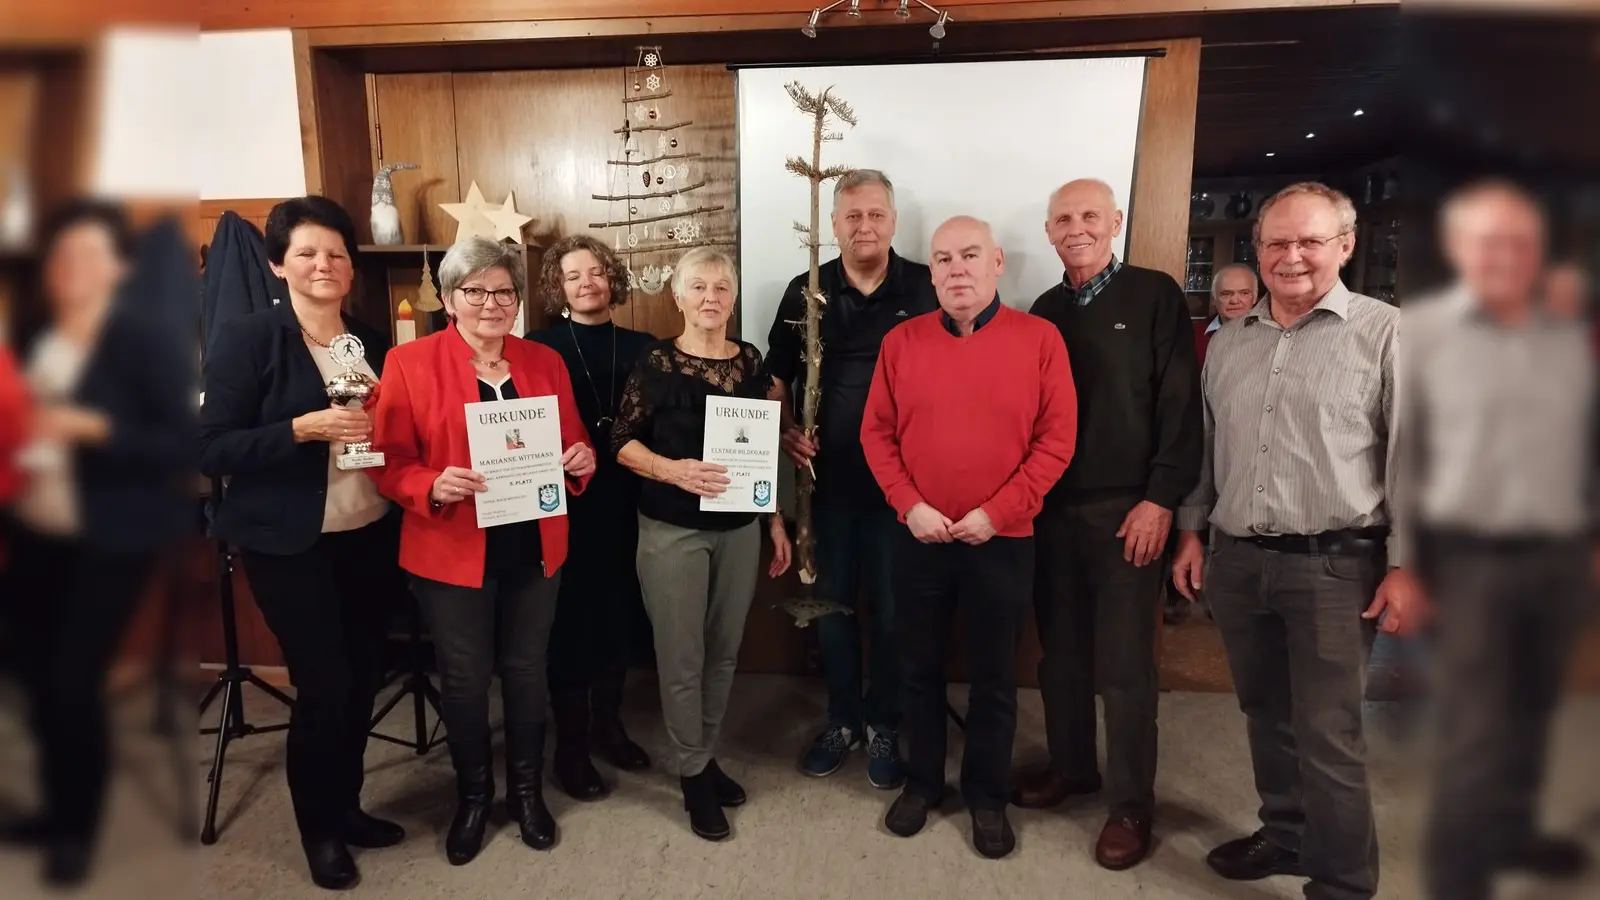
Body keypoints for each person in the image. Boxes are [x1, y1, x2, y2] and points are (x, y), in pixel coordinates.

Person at [1171, 182, 1424, 900]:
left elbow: (1414, 457)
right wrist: (1192, 532)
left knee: (1329, 735)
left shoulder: (1385, 332)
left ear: (1345, 245)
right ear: (1257, 250)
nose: (1292, 257)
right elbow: (1208, 449)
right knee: (1265, 715)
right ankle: (1286, 835)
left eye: (1310, 241)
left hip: (1335, 568)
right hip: (1240, 563)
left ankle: (1343, 884)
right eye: (1277, 242)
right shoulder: (1230, 344)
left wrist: (1407, 565)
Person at [369, 236, 596, 864]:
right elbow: (389, 462)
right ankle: (473, 798)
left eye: (504, 292)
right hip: (452, 546)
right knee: (466, 681)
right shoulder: (409, 363)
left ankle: (526, 794)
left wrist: (581, 460)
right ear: (449, 299)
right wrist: (429, 484)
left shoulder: (543, 360)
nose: (492, 304)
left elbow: (574, 443)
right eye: (476, 292)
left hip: (534, 543)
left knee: (527, 671)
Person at [199, 196, 403, 891]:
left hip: (368, 533)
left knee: (366, 677)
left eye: (337, 253)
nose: (325, 265)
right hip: (290, 544)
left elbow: (395, 432)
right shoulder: (250, 337)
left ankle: (347, 808)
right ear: (278, 263)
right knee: (324, 686)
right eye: (309, 252)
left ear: (352, 267)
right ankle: (319, 831)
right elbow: (210, 446)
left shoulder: (372, 342)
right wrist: (300, 429)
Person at [861, 215, 1077, 860]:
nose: (956, 269)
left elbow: (1056, 441)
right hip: (918, 537)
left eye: (969, 256)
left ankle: (987, 795)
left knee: (993, 679)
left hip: (1002, 540)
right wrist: (909, 506)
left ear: (997, 263)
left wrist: (1001, 511)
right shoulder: (901, 342)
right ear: (931, 271)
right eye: (944, 259)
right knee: (917, 670)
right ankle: (924, 783)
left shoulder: (1040, 339)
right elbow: (876, 434)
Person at [1405, 181, 1594, 900]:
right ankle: (1460, 880)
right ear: (1457, 249)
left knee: (1535, 709)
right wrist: (1410, 567)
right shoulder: (1421, 335)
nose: (1505, 255)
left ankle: (1513, 831)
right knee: (1474, 734)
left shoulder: (1562, 332)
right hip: (1467, 563)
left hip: (1557, 555)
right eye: (1488, 241)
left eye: (1519, 241)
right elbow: (1401, 457)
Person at [0, 201, 193, 888]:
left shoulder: (143, 342)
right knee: (26, 673)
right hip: (31, 534)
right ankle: (55, 806)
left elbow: (181, 445)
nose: (73, 269)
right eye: (62, 256)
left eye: (88, 255)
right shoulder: (32, 337)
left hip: (110, 539)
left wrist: (95, 431)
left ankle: (73, 828)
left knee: (69, 683)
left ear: (118, 267)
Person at [1020, 178, 1203, 869]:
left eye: (1090, 215)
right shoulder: (1043, 311)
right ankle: (1074, 769)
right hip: (1051, 511)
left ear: (1116, 220)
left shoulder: (1155, 296)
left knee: (1126, 670)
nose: (1077, 228)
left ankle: (1130, 806)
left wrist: (1161, 500)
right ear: (1048, 230)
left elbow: (1181, 407)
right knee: (1061, 657)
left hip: (1131, 512)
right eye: (1063, 217)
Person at [611, 247, 793, 842]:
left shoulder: (752, 364)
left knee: (724, 652)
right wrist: (675, 471)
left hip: (739, 529)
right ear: (678, 295)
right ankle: (692, 772)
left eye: (721, 287)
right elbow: (622, 442)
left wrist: (772, 521)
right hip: (672, 530)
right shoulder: (655, 362)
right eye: (698, 286)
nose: (711, 296)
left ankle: (704, 752)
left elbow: (762, 448)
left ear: (733, 298)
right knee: (683, 658)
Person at [764, 168, 936, 787]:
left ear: (893, 221)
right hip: (825, 489)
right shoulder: (803, 289)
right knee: (832, 608)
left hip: (904, 491)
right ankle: (842, 719)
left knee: (891, 612)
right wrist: (785, 430)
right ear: (833, 224)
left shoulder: (926, 286)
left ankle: (884, 722)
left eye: (876, 215)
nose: (865, 226)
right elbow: (777, 376)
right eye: (852, 216)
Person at [528, 235, 655, 800]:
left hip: (630, 502)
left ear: (612, 280)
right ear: (559, 286)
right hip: (564, 506)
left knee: (619, 619)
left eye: (597, 272)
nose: (587, 283)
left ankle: (610, 724)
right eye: (574, 275)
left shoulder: (646, 346)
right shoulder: (537, 347)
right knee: (569, 626)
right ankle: (571, 747)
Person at [1198, 262, 1260, 369]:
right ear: (1214, 299)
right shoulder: (1194, 335)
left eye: (1244, 293)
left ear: (1255, 297)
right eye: (1226, 294)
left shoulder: (1270, 334)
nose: (1235, 301)